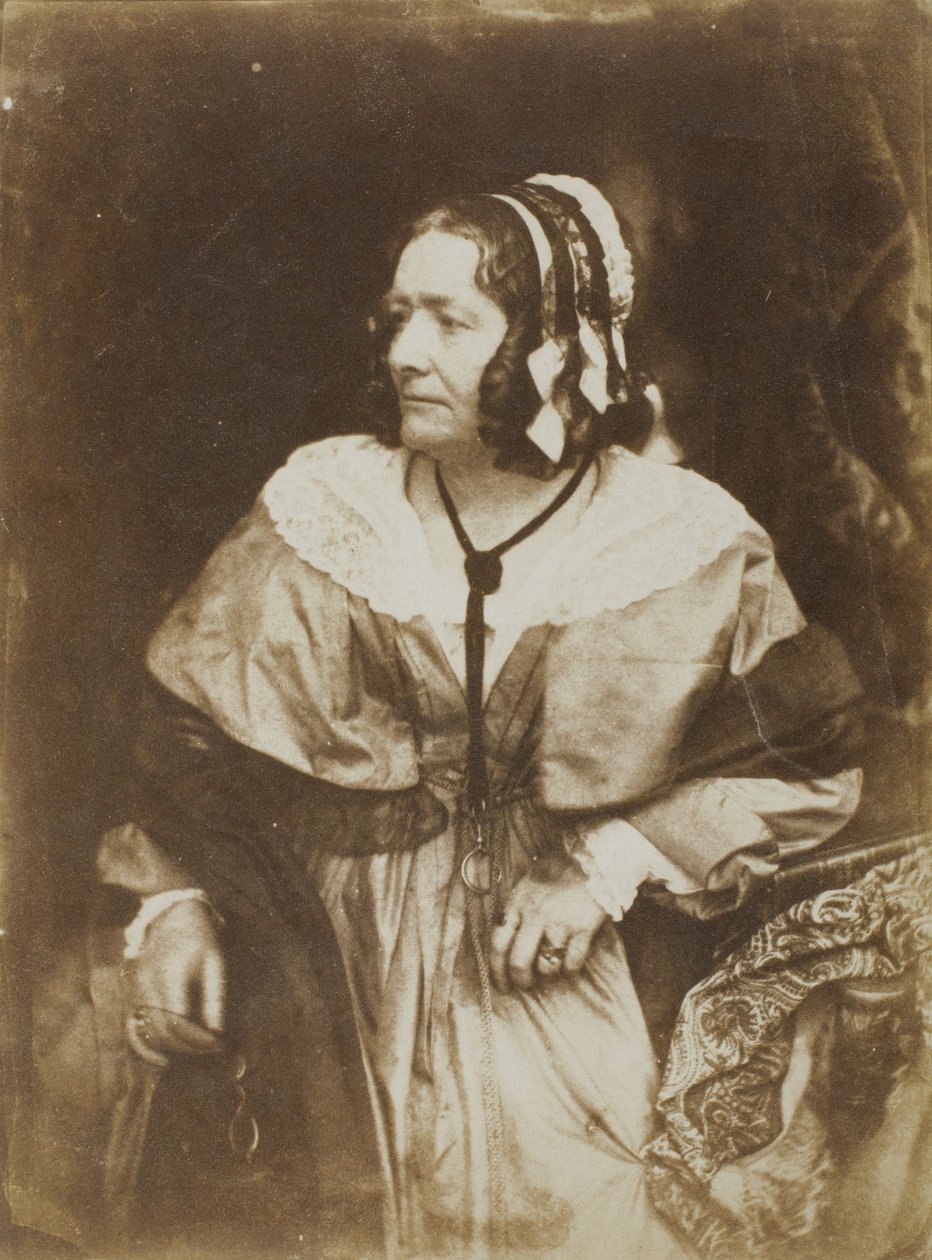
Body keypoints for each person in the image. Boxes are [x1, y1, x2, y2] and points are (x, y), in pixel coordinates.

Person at [99, 175, 865, 1259]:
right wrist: (174, 902)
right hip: (330, 985)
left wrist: (605, 866)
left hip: (565, 979)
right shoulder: (328, 505)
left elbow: (808, 755)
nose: (406, 352)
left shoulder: (681, 537)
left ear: (557, 346)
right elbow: (185, 746)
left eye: (451, 322)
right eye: (398, 316)